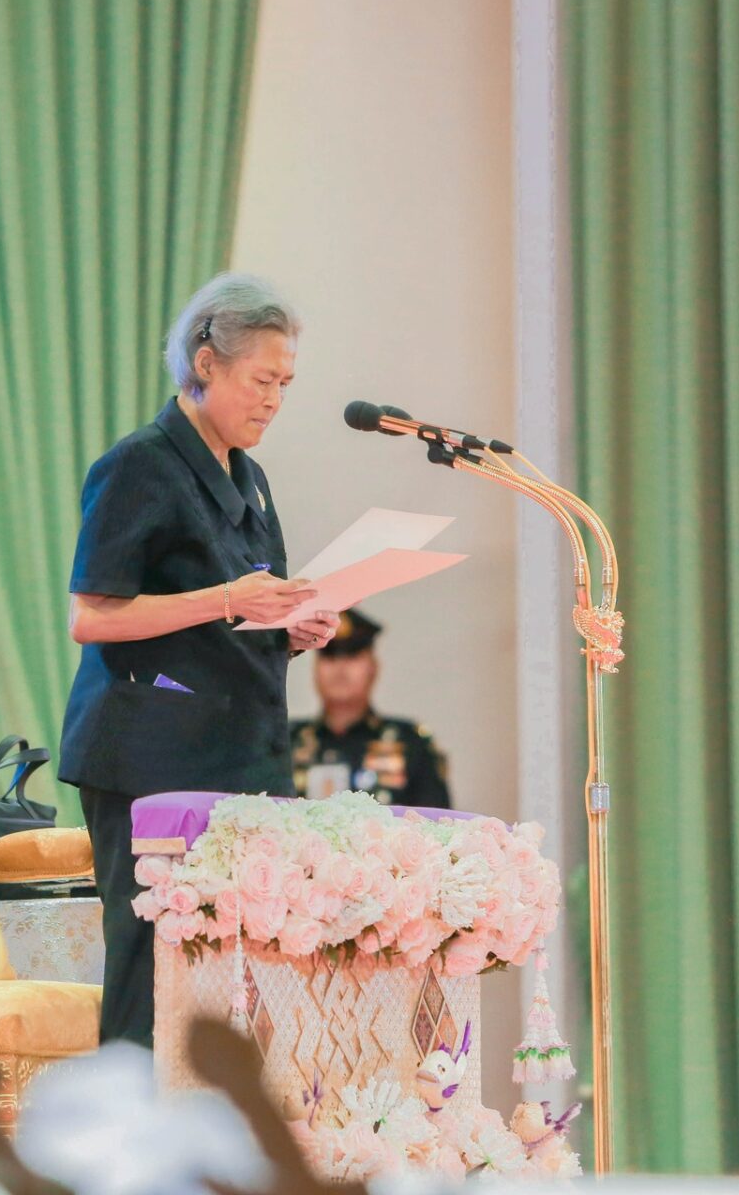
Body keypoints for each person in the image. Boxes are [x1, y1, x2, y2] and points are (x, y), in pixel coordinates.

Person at [59, 273, 339, 1047]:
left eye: (284, 385)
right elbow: (92, 616)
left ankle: (219, 1124)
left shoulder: (250, 477)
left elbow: (237, 613)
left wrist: (289, 627)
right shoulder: (139, 465)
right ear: (206, 363)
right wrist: (227, 600)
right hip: (152, 760)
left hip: (240, 753)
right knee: (153, 976)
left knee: (240, 981)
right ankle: (129, 1124)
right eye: (261, 381)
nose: (273, 401)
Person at [289, 608, 451, 809]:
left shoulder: (411, 743)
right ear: (314, 669)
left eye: (353, 656)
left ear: (374, 668)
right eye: (329, 656)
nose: (340, 668)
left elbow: (435, 820)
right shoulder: (287, 741)